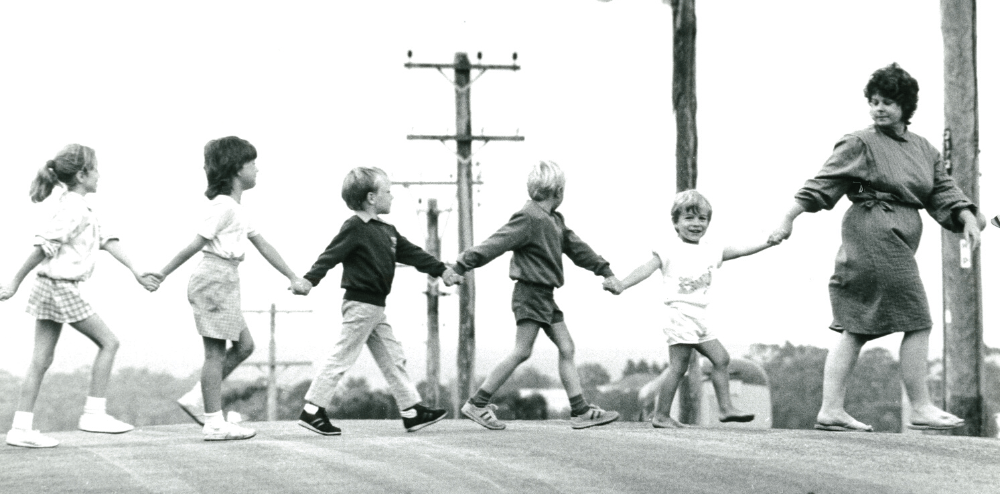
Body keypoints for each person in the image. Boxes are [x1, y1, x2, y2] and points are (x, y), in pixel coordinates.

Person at [770, 63, 985, 432]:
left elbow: (943, 191)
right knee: (918, 319)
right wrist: (786, 219)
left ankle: (830, 410)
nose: (879, 108)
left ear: (905, 106)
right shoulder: (860, 142)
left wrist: (967, 218)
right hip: (873, 232)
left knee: (856, 326)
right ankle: (920, 406)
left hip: (899, 236)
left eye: (887, 102)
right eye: (874, 102)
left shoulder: (923, 149)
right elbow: (824, 183)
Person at [2, 144, 158, 448]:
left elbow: (107, 240)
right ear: (82, 174)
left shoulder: (80, 207)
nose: (100, 175)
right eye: (96, 169)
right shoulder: (73, 209)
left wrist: (136, 270)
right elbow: (44, 246)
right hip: (59, 287)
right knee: (109, 342)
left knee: (41, 359)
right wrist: (14, 282)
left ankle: (20, 428)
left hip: (49, 285)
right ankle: (93, 414)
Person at [154, 136, 310, 441]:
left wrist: (293, 276)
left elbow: (264, 244)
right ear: (237, 168)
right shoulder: (223, 207)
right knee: (214, 354)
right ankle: (214, 421)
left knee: (244, 346)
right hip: (214, 278)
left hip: (225, 279)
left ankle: (197, 398)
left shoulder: (237, 209)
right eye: (252, 163)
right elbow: (195, 243)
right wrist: (162, 273)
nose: (257, 169)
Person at [446, 160, 621, 430]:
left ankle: (580, 411)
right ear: (559, 191)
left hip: (545, 295)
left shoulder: (555, 221)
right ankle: (477, 403)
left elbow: (578, 248)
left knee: (566, 347)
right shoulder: (528, 218)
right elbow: (495, 243)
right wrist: (461, 265)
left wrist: (604, 270)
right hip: (530, 292)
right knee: (522, 351)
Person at [293, 167, 458, 436]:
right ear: (371, 198)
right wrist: (309, 281)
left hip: (375, 307)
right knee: (342, 357)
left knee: (393, 358)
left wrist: (442, 270)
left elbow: (414, 254)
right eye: (388, 191)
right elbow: (330, 256)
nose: (392, 196)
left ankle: (411, 411)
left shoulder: (387, 230)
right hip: (360, 305)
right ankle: (312, 410)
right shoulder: (355, 227)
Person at [608, 190, 776, 428]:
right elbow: (645, 269)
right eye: (689, 218)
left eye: (702, 219)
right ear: (675, 223)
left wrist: (768, 241)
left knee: (721, 359)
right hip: (680, 314)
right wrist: (622, 284)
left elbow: (740, 250)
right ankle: (661, 415)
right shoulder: (668, 249)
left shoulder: (710, 249)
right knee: (679, 366)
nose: (696, 224)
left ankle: (725, 409)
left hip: (700, 317)